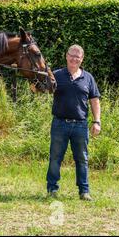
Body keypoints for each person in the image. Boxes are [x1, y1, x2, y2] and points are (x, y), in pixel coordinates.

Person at [46, 44, 101, 201]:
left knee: (82, 158)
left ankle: (84, 191)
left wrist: (97, 121)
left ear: (82, 59)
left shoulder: (88, 78)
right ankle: (52, 189)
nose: (74, 58)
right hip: (59, 124)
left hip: (81, 125)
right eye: (72, 55)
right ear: (66, 56)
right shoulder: (56, 75)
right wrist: (33, 85)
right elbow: (41, 88)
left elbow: (95, 100)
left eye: (78, 56)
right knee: (55, 157)